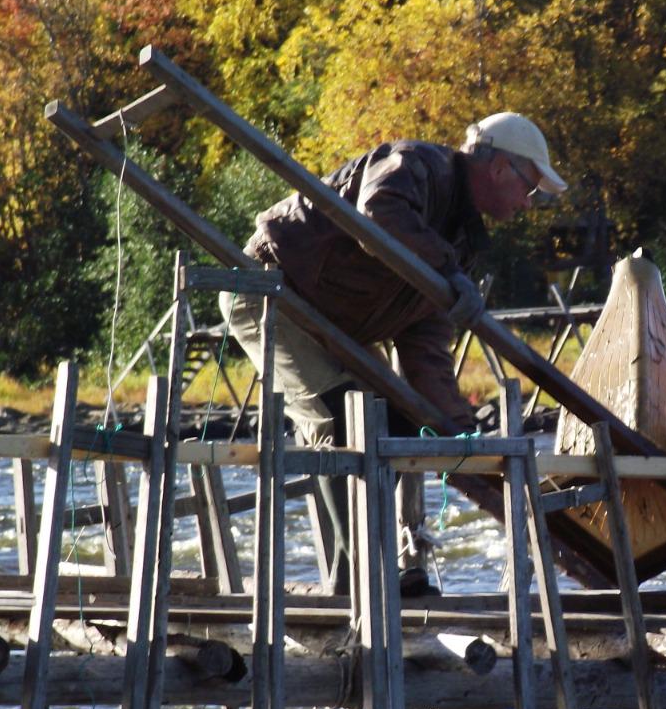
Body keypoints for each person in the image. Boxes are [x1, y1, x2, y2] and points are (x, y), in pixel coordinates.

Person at [222, 112, 570, 592]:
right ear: (499, 170)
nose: (528, 204)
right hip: (270, 292)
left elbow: (424, 338)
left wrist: (456, 429)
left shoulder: (462, 243)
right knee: (340, 418)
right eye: (529, 188)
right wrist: (448, 269)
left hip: (335, 323)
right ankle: (363, 575)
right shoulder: (416, 165)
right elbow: (379, 213)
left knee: (404, 423)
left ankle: (377, 569)